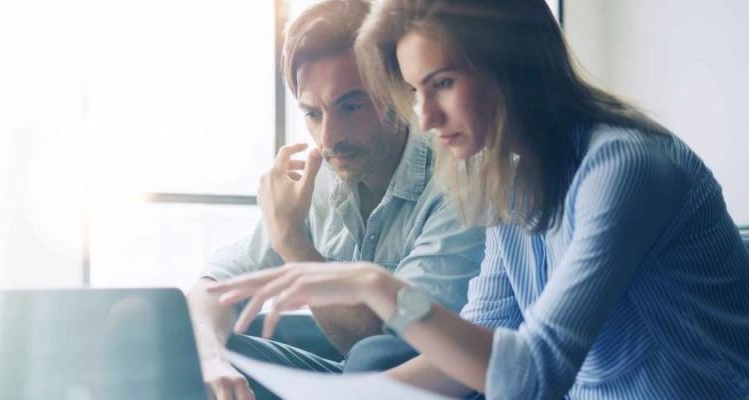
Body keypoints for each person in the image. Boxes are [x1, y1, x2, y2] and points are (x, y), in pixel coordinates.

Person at [208, 0, 749, 398]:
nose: (425, 118)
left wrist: (373, 285)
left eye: (441, 83)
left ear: (509, 65)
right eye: (417, 92)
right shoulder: (512, 187)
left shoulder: (625, 167)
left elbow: (532, 374)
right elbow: (470, 356)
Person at [186, 1, 485, 399]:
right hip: (348, 378)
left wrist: (293, 244)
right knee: (181, 351)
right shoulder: (319, 181)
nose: (328, 139)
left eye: (351, 106)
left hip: (429, 382)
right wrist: (208, 359)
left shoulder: (459, 177)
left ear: (397, 92)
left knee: (375, 358)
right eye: (312, 113)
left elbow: (400, 341)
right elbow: (214, 286)